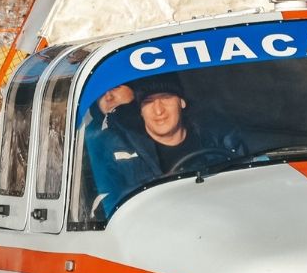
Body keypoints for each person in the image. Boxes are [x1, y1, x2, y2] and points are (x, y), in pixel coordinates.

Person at [83, 75, 248, 220]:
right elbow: (99, 207)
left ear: (181, 102)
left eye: (166, 98)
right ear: (140, 110)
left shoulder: (220, 137)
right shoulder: (111, 146)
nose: (158, 110)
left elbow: (247, 186)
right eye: (148, 102)